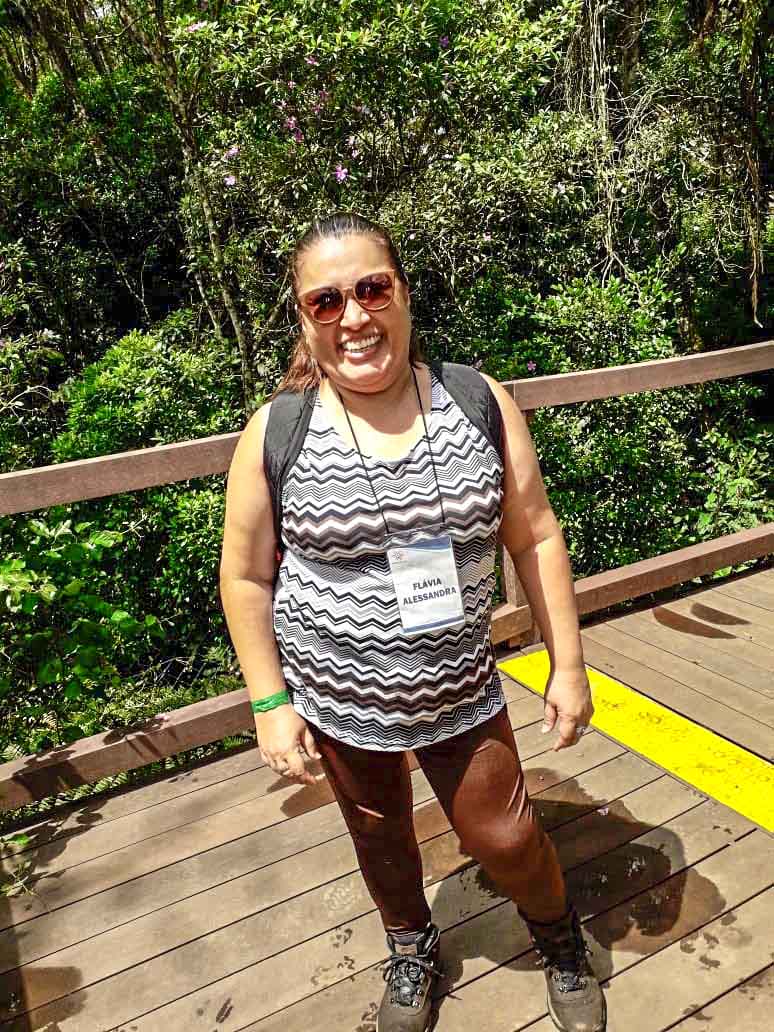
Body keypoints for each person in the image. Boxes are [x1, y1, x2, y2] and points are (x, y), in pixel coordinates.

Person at [219, 213, 606, 1032]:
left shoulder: (475, 401)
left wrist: (567, 665)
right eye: (327, 301)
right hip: (334, 697)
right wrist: (270, 703)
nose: (354, 316)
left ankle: (557, 934)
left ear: (402, 293)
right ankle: (411, 944)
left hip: (458, 688)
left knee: (506, 837)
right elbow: (246, 577)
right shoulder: (278, 430)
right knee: (379, 839)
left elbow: (535, 533)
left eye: (372, 289)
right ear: (304, 318)